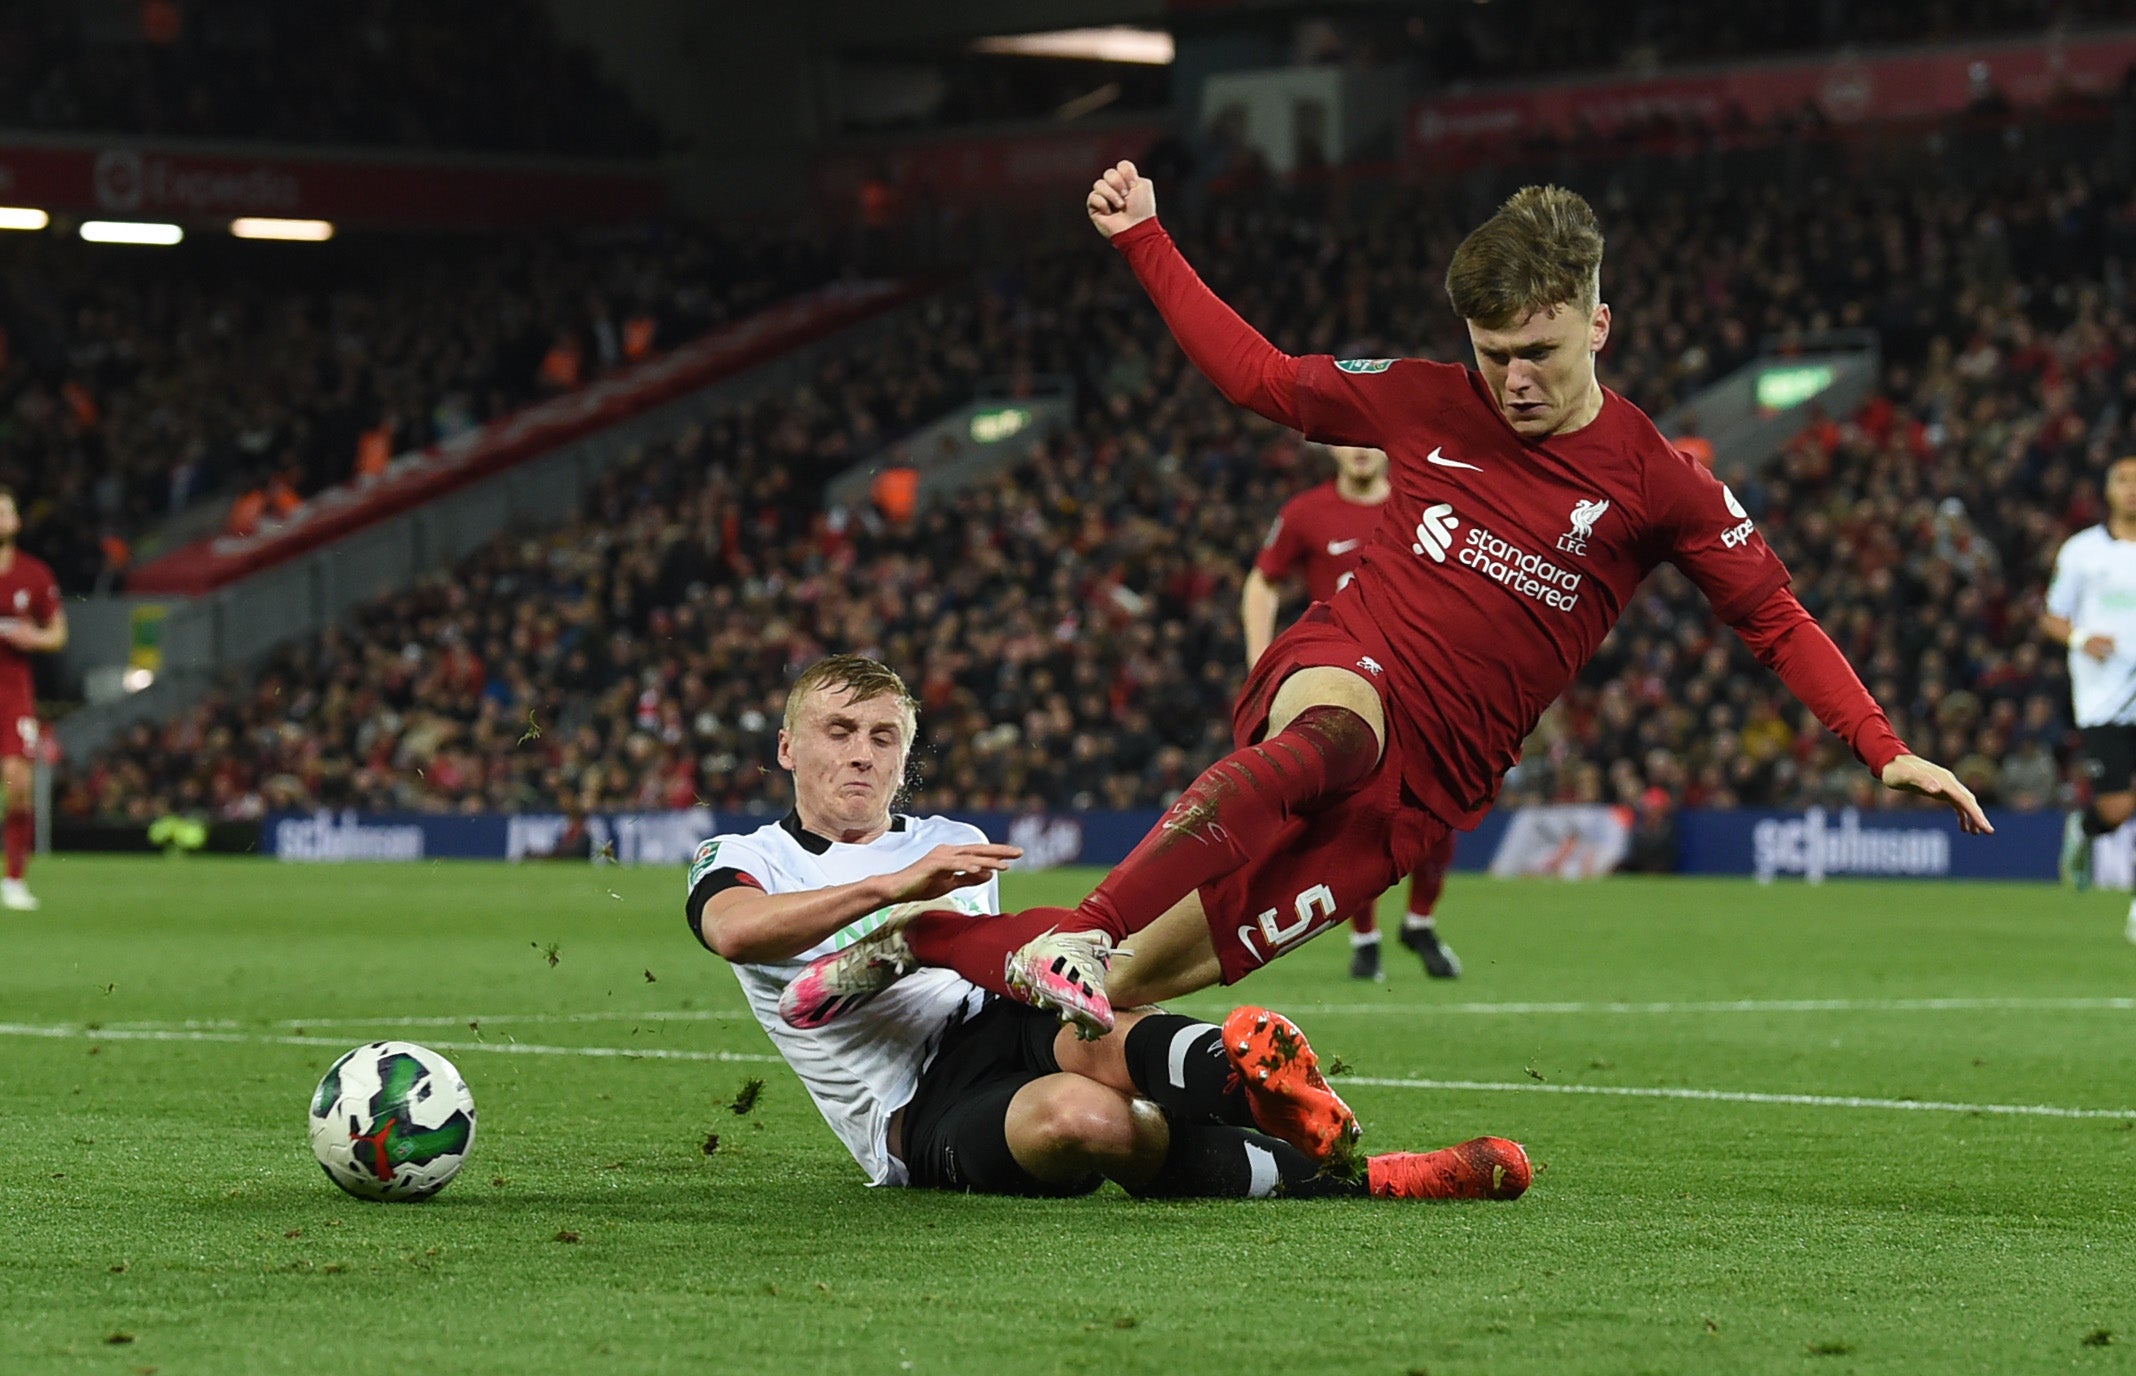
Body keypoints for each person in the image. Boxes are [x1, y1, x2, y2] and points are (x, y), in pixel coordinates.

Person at [784, 168, 1989, 1040]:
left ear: (1598, 327)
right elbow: (1260, 377)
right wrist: (1147, 236)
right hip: (1349, 660)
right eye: (1493, 351)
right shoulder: (1422, 398)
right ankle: (1082, 922)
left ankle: (913, 939)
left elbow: (1775, 615)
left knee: (1146, 980)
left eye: (1542, 352)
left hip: (1434, 791)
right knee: (1327, 737)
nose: (1514, 379)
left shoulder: (1659, 483)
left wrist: (1881, 748)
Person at [687, 653, 1529, 1201]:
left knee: (1090, 1016)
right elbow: (736, 930)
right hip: (914, 1108)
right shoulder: (741, 852)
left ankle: (1265, 1088)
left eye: (884, 737)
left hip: (1002, 1016)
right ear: (790, 748)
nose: (863, 754)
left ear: (907, 756)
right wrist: (893, 893)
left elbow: (994, 959)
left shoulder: (952, 842)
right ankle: (1312, 1151)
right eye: (839, 733)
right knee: (1088, 1121)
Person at [1244, 443, 1464, 980]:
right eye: (1348, 437)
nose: (1361, 449)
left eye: (1372, 438)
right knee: (1355, 809)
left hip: (1421, 677)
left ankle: (1419, 923)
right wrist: (1260, 663)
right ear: (1328, 445)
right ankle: (1364, 938)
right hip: (1346, 678)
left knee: (1445, 804)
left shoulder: (1423, 504)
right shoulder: (1305, 513)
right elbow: (1262, 581)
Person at [2044, 455, 2136, 941]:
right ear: (2108, 490)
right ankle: (2085, 828)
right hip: (2105, 699)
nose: (2133, 489)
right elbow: (2051, 616)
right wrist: (2082, 640)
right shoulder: (2082, 552)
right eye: (2124, 480)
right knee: (2118, 808)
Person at [0, 486, 65, 912]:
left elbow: (58, 634)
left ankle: (14, 879)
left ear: (17, 521)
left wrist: (33, 637)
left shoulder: (34, 573)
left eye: (4, 510)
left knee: (18, 786)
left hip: (11, 688)